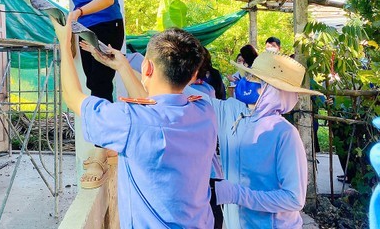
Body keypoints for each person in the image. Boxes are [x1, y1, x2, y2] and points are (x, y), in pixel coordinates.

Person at [56, 20, 217, 228]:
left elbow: (72, 97)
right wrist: (122, 66)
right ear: (193, 75)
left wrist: (64, 44)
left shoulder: (130, 122)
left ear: (146, 67)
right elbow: (154, 110)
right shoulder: (204, 111)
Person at [22, 0, 124, 187]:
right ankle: (105, 143)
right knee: (93, 84)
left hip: (106, 27)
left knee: (101, 84)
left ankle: (103, 150)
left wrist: (77, 11)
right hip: (86, 28)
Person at [187, 51, 323, 228]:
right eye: (249, 73)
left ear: (272, 90)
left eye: (254, 77)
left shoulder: (284, 133)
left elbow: (293, 198)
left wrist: (237, 195)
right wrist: (142, 62)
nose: (245, 79)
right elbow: (179, 89)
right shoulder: (233, 112)